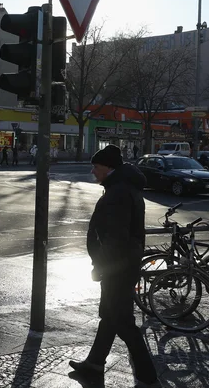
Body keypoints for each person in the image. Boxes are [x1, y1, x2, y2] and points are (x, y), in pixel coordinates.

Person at [69, 145, 161, 388]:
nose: (93, 171)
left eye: (96, 167)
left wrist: (102, 266)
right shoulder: (124, 188)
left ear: (109, 168)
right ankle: (95, 364)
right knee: (109, 317)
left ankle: (148, 377)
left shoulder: (117, 194)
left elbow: (114, 239)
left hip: (117, 269)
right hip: (123, 266)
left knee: (122, 322)